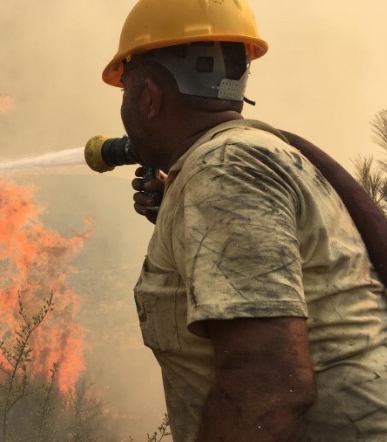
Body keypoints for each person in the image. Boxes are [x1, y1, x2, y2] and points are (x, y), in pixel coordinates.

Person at [99, 0, 387, 440]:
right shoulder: (244, 158)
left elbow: (267, 386)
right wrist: (187, 238)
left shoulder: (224, 171)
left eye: (126, 91)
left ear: (150, 98)